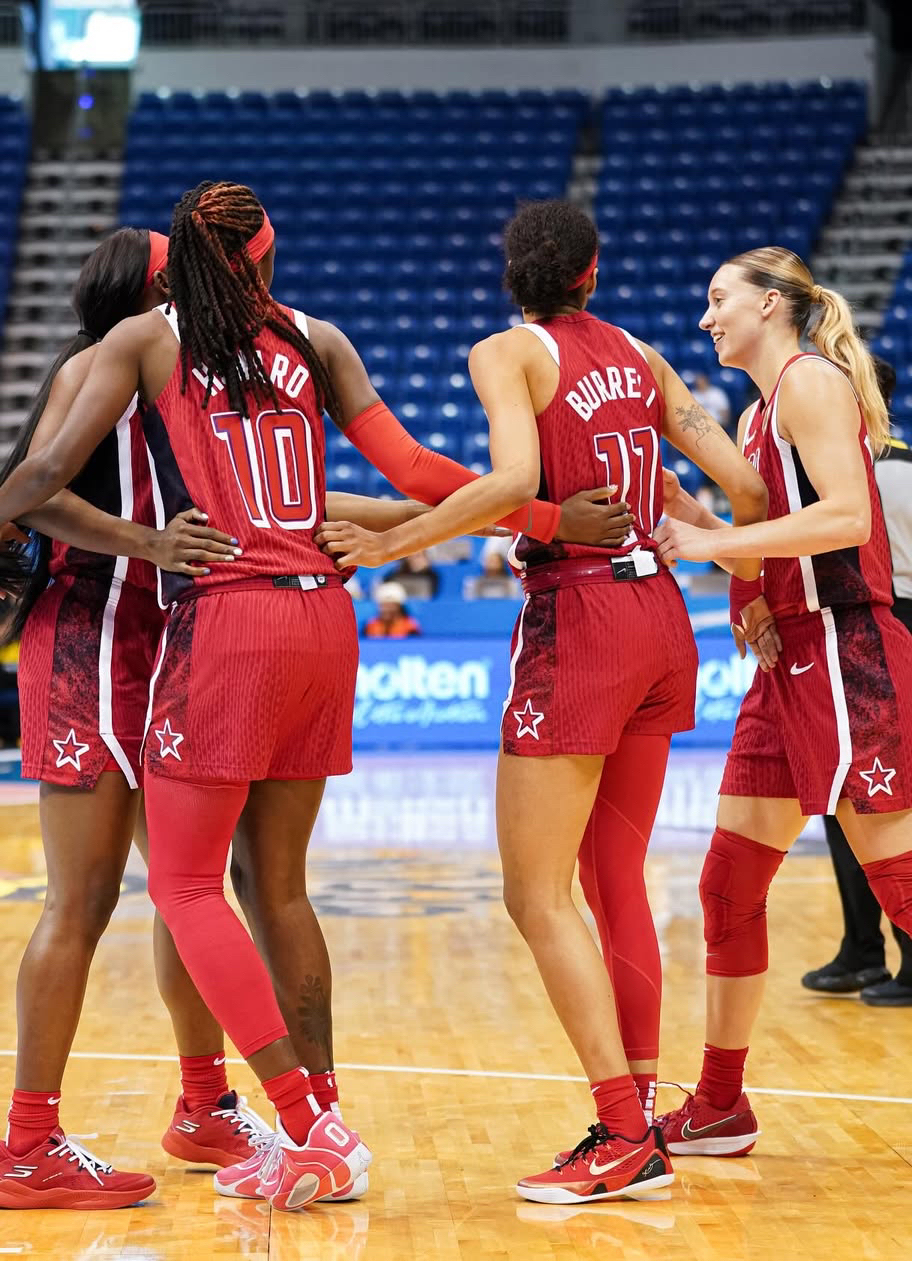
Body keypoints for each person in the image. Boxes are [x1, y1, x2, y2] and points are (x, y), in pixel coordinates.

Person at [0, 183, 640, 1211]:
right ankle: (67, 1133)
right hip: (129, 631)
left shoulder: (184, 348)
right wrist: (537, 516)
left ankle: (237, 1108)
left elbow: (292, 499)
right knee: (149, 894)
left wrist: (537, 518)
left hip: (204, 623)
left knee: (196, 887)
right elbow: (34, 492)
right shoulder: (192, 350)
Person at [316, 199, 770, 1203]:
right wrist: (744, 585)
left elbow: (515, 479)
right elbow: (744, 487)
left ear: (512, 276)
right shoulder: (642, 356)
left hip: (581, 620)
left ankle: (622, 1132)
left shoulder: (507, 352)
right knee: (615, 880)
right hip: (661, 619)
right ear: (592, 274)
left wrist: (390, 546)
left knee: (536, 894)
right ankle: (641, 1111)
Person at [653, 246, 912, 1180]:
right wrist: (706, 529)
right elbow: (768, 549)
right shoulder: (759, 414)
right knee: (727, 886)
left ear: (772, 305)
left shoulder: (811, 384)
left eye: (718, 298)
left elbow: (848, 518)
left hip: (851, 653)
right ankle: (720, 1102)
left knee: (910, 885)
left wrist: (713, 539)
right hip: (791, 663)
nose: (706, 318)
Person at [0, 229, 275, 1211]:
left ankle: (205, 1104)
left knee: (186, 886)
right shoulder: (97, 368)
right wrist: (147, 543)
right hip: (93, 638)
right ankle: (27, 1143)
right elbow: (31, 496)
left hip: (169, 643)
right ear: (154, 291)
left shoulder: (184, 371)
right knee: (80, 900)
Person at [802, 355, 912, 1007]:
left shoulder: (851, 466)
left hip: (878, 631)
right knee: (864, 797)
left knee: (869, 803)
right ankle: (864, 948)